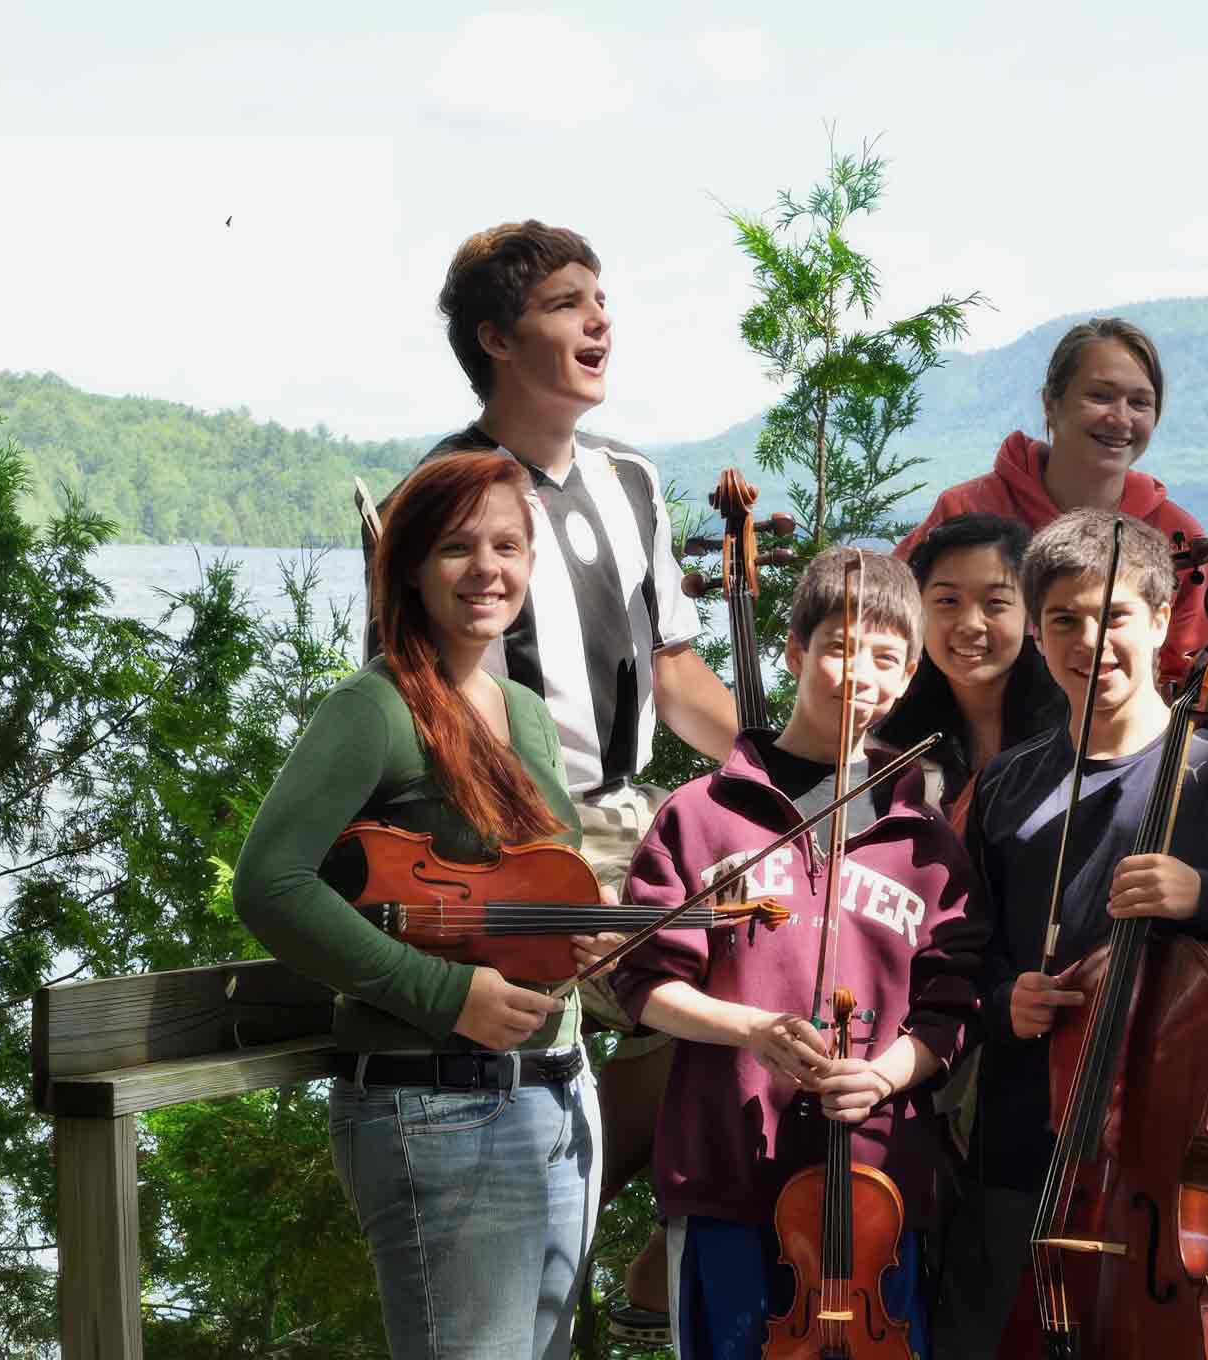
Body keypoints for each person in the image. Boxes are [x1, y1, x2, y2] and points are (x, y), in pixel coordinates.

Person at [404, 220, 742, 1333]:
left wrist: (790, 773)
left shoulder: (631, 480)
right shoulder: (449, 490)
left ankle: (640, 1234)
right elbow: (422, 704)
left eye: (601, 300)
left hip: (641, 816)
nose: (599, 321)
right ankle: (591, 1230)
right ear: (496, 339)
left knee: (787, 931)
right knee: (706, 968)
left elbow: (677, 674)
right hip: (517, 832)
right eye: (565, 304)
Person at [236, 452, 620, 1358]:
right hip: (441, 1108)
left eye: (507, 546)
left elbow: (534, 886)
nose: (486, 569)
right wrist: (445, 995)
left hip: (559, 1098)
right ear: (410, 566)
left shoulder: (523, 710)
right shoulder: (373, 708)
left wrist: (590, 931)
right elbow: (272, 885)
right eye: (456, 547)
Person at [933, 508, 1208, 1358]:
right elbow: (963, 959)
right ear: (1037, 635)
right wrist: (1003, 1001)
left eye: (1112, 615)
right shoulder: (1007, 784)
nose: (1090, 642)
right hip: (1022, 1150)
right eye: (1064, 620)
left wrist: (1207, 897)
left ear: (1159, 619)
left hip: (1172, 1165)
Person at [609, 548, 984, 1359]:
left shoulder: (925, 841)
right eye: (841, 648)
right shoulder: (702, 815)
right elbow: (645, 981)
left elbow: (954, 1006)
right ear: (794, 651)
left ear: (908, 674)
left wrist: (885, 1075)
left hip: (876, 1194)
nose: (861, 676)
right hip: (727, 1175)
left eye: (886, 658)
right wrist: (752, 1030)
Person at [895, 317, 1208, 695]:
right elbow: (891, 626)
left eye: (1140, 402)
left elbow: (1190, 682)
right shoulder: (967, 507)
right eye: (1100, 396)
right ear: (1051, 404)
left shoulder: (1177, 535)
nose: (1120, 418)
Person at [876, 513, 1066, 834]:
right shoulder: (890, 744)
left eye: (996, 602)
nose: (970, 624)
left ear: (1030, 612)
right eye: (948, 600)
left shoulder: (1074, 726)